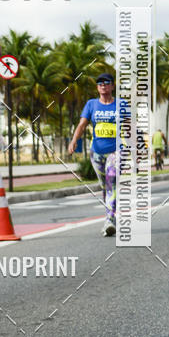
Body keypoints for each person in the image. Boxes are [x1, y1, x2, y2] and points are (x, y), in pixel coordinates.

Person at [68, 72, 121, 237]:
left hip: (116, 151)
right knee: (105, 186)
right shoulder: (91, 104)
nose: (103, 85)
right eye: (99, 83)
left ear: (112, 85)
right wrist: (74, 140)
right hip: (96, 152)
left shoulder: (121, 104)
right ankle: (109, 217)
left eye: (106, 82)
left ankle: (110, 220)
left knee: (111, 181)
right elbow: (82, 124)